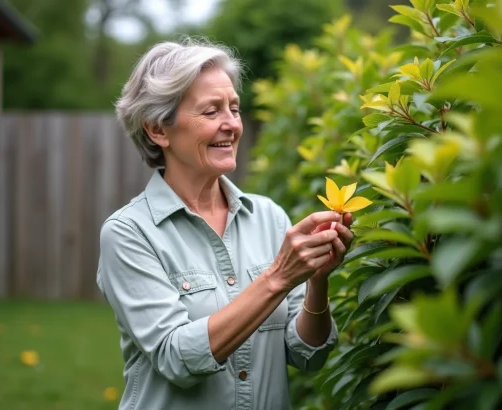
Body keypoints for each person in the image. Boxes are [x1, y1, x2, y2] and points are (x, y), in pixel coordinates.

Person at [96, 38, 354, 410]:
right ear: (158, 130)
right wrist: (279, 276)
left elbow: (307, 355)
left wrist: (317, 279)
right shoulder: (128, 233)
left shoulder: (269, 217)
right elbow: (178, 358)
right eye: (211, 111)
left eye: (234, 108)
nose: (231, 124)